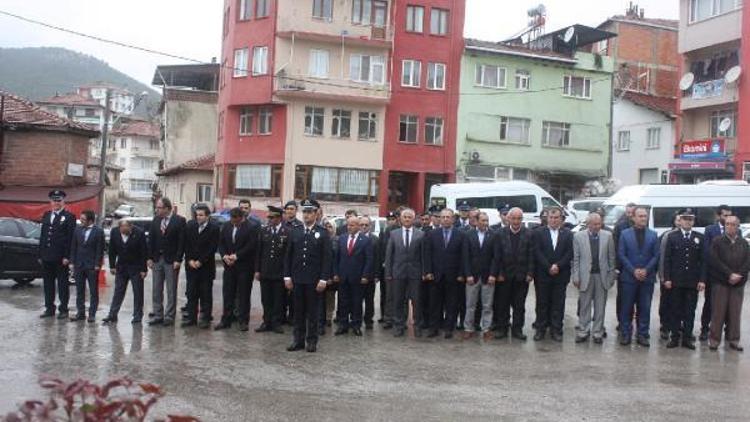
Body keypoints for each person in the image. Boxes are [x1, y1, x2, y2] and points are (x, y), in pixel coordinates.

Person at [284, 199, 332, 353]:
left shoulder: (323, 233)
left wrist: (324, 279)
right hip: (297, 279)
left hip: (314, 280)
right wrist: (287, 277)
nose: (307, 215)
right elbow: (288, 256)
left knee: (312, 312)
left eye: (310, 212)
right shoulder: (295, 231)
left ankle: (311, 341)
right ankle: (298, 340)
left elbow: (327, 258)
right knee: (298, 312)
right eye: (304, 212)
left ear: (316, 214)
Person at [662, 208, 706, 350]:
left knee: (690, 310)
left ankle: (687, 338)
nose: (688, 222)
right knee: (675, 309)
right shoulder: (672, 237)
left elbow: (703, 261)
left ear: (693, 221)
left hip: (692, 282)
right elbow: (667, 259)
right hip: (676, 281)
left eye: (690, 219)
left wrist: (702, 280)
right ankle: (674, 337)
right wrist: (667, 278)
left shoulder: (699, 237)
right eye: (685, 219)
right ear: (679, 221)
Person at [617, 207, 660, 347]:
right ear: (633, 218)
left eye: (645, 216)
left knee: (645, 307)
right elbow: (622, 255)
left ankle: (642, 334)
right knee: (626, 307)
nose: (643, 218)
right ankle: (625, 333)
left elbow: (656, 255)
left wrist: (646, 270)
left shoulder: (653, 235)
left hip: (647, 278)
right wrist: (633, 270)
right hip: (629, 278)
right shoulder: (624, 234)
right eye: (640, 216)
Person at [572, 212, 616, 344]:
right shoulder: (578, 237)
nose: (598, 226)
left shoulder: (608, 236)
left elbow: (611, 258)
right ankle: (583, 331)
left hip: (601, 276)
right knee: (584, 305)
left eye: (599, 224)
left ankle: (597, 332)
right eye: (595, 224)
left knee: (600, 305)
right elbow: (576, 259)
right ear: (588, 224)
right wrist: (576, 276)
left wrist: (611, 275)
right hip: (586, 276)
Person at [708, 216, 749, 352]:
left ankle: (734, 340)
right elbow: (714, 261)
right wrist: (729, 274)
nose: (729, 226)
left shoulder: (744, 243)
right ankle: (714, 341)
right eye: (727, 224)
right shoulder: (717, 241)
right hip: (721, 283)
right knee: (718, 313)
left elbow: (747, 261)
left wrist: (739, 275)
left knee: (735, 314)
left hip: (738, 284)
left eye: (733, 224)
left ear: (738, 226)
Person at [492, 207, 535, 340]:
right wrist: (497, 273)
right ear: (508, 218)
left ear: (522, 219)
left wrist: (530, 273)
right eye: (514, 218)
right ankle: (502, 329)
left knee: (519, 306)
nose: (516, 221)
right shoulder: (499, 234)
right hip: (504, 276)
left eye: (519, 218)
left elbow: (532, 256)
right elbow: (496, 256)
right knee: (502, 305)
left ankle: (517, 330)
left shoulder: (529, 234)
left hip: (522, 277)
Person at [424, 208, 467, 339]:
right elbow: (427, 254)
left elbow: (463, 256)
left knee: (451, 304)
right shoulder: (432, 234)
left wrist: (461, 273)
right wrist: (428, 271)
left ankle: (449, 328)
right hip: (436, 275)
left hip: (453, 276)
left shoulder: (460, 235)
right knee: (435, 304)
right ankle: (434, 328)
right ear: (439, 219)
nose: (445, 219)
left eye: (448, 217)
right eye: (443, 217)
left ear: (453, 219)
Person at [532, 207, 573, 342]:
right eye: (551, 217)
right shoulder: (538, 233)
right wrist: (549, 266)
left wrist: (558, 266)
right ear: (547, 218)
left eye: (556, 218)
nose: (554, 220)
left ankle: (556, 330)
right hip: (543, 274)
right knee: (542, 303)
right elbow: (537, 252)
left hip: (561, 275)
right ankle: (540, 329)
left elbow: (569, 253)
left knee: (558, 304)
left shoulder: (568, 234)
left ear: (561, 219)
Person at [216, 207, 259, 332]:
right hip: (229, 266)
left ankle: (243, 321)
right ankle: (226, 319)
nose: (233, 222)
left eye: (236, 220)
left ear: (241, 218)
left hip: (244, 267)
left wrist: (237, 256)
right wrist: (224, 256)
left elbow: (251, 246)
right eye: (231, 219)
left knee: (243, 294)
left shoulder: (250, 228)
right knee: (228, 293)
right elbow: (221, 243)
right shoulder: (226, 226)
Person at [384, 208, 426, 338]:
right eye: (405, 217)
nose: (407, 219)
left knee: (417, 301)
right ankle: (398, 325)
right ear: (400, 219)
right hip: (398, 272)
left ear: (414, 219)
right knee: (398, 300)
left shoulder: (420, 234)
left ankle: (418, 326)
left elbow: (423, 255)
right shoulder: (394, 234)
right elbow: (389, 255)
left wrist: (424, 272)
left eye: (409, 217)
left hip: (415, 273)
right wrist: (388, 273)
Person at [147, 197, 186, 327]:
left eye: (159, 207)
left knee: (171, 289)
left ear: (167, 208)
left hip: (171, 260)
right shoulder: (156, 220)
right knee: (156, 289)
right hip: (157, 259)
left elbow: (182, 242)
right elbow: (151, 240)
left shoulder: (179, 221)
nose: (156, 210)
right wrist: (149, 258)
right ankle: (158, 314)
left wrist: (178, 259)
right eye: (156, 207)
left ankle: (169, 316)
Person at [38, 190, 76, 319]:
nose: (56, 203)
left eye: (59, 200)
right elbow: (43, 236)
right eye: (54, 200)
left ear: (63, 202)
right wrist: (40, 254)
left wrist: (67, 256)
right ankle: (49, 308)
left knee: (62, 284)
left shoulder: (69, 217)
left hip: (61, 258)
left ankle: (63, 309)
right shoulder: (47, 215)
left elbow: (70, 238)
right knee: (48, 284)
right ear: (50, 202)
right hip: (47, 256)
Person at [182, 204, 220, 329]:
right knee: (192, 293)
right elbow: (186, 245)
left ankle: (205, 318)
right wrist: (190, 260)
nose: (198, 217)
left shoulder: (214, 228)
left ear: (207, 216)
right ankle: (192, 318)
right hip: (191, 267)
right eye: (197, 215)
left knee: (205, 294)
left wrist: (201, 261)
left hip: (206, 267)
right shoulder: (190, 226)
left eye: (201, 215)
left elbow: (212, 248)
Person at [333, 216, 373, 336]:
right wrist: (335, 273)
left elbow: (369, 259)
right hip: (343, 276)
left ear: (358, 226)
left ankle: (356, 325)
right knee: (343, 302)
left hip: (358, 277)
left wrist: (365, 275)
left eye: (352, 225)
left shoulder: (365, 240)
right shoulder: (342, 238)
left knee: (357, 302)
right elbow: (336, 258)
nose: (349, 227)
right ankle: (343, 325)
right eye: (348, 225)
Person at [103, 219, 148, 325]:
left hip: (135, 267)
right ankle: (112, 314)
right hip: (122, 267)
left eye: (125, 228)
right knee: (118, 291)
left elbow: (143, 252)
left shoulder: (139, 233)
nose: (123, 231)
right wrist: (112, 265)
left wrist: (143, 269)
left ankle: (137, 315)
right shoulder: (114, 232)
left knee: (137, 292)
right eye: (121, 228)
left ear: (130, 227)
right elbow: (112, 250)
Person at [254, 206, 290, 334]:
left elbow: (288, 255)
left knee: (278, 299)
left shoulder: (287, 232)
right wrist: (257, 270)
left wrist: (287, 274)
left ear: (279, 218)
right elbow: (259, 252)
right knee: (266, 298)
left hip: (279, 272)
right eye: (268, 217)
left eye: (272, 217)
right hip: (266, 271)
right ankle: (266, 321)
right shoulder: (264, 231)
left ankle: (276, 322)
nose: (269, 219)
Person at [700, 204, 733, 341]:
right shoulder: (710, 230)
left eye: (729, 215)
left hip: (729, 275)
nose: (727, 218)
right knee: (709, 303)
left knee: (729, 304)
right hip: (713, 274)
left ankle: (728, 329)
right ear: (718, 216)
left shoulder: (735, 230)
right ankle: (705, 329)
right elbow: (707, 252)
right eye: (725, 215)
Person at [462, 212, 497, 340]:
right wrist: (468, 274)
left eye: (487, 221)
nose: (485, 223)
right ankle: (468, 328)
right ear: (476, 221)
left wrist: (493, 274)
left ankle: (486, 329)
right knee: (470, 305)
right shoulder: (468, 235)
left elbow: (496, 257)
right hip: (472, 276)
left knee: (487, 305)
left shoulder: (493, 235)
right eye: (482, 220)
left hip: (488, 277)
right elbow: (465, 257)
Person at [68, 210, 105, 323]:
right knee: (80, 290)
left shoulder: (98, 232)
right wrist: (72, 262)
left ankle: (92, 314)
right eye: (81, 219)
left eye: (83, 219)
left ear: (90, 220)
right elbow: (73, 246)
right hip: (79, 264)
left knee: (93, 291)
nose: (81, 221)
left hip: (92, 266)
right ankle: (81, 313)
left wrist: (97, 264)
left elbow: (100, 249)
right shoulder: (77, 230)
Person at [658, 213, 681, 340]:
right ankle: (665, 326)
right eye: (677, 219)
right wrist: (663, 276)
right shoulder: (667, 235)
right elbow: (662, 257)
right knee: (666, 302)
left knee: (680, 303)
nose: (679, 222)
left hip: (681, 278)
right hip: (668, 276)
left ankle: (677, 326)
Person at [359, 216, 381, 329]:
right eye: (361, 225)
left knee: (369, 299)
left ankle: (368, 320)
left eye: (366, 225)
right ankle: (356, 319)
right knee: (357, 299)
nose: (363, 227)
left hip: (371, 275)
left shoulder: (375, 240)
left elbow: (378, 258)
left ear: (370, 226)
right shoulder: (355, 237)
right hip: (357, 274)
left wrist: (377, 275)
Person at [318, 219, 338, 335]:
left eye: (330, 226)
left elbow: (335, 260)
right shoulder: (320, 239)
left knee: (330, 297)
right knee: (320, 298)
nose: (328, 229)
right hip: (321, 275)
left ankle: (328, 317)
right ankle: (320, 317)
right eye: (326, 226)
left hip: (332, 275)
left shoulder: (337, 240)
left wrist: (331, 276)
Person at [380, 211, 399, 327]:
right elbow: (382, 249)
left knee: (398, 295)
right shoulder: (385, 231)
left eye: (393, 219)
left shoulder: (398, 231)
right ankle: (386, 317)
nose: (391, 221)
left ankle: (396, 318)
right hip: (386, 267)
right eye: (389, 219)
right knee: (386, 294)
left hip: (397, 267)